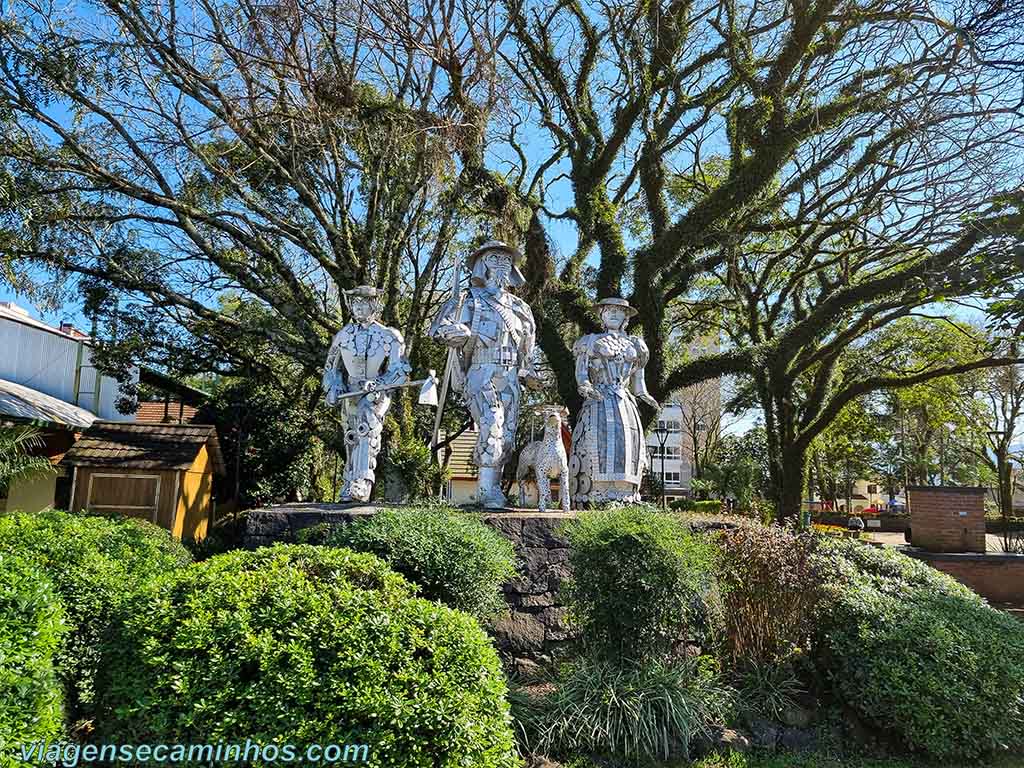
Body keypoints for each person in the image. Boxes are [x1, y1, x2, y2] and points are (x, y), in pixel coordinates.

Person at [430, 241, 541, 507]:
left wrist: (530, 373)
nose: (501, 263)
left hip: (511, 376)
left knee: (507, 435)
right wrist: (455, 333)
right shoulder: (467, 299)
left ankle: (492, 489)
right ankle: (486, 490)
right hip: (481, 371)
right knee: (492, 424)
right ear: (482, 263)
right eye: (495, 257)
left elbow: (528, 350)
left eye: (506, 259)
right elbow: (438, 329)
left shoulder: (520, 308)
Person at [322, 286, 410, 501]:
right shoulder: (343, 335)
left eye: (364, 302)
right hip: (350, 391)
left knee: (366, 429)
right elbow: (330, 367)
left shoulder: (389, 335)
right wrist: (333, 387)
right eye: (356, 303)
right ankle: (349, 481)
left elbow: (400, 370)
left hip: (375, 392)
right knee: (350, 435)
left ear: (375, 305)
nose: (359, 307)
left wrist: (380, 382)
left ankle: (362, 482)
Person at [569, 297, 659, 505]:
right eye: (609, 310)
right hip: (599, 399)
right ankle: (594, 494)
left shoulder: (636, 345)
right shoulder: (589, 342)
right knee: (600, 440)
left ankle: (625, 494)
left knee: (627, 442)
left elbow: (639, 383)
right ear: (601, 314)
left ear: (626, 318)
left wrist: (645, 395)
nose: (614, 314)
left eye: (619, 311)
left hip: (624, 400)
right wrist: (586, 388)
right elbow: (581, 376)